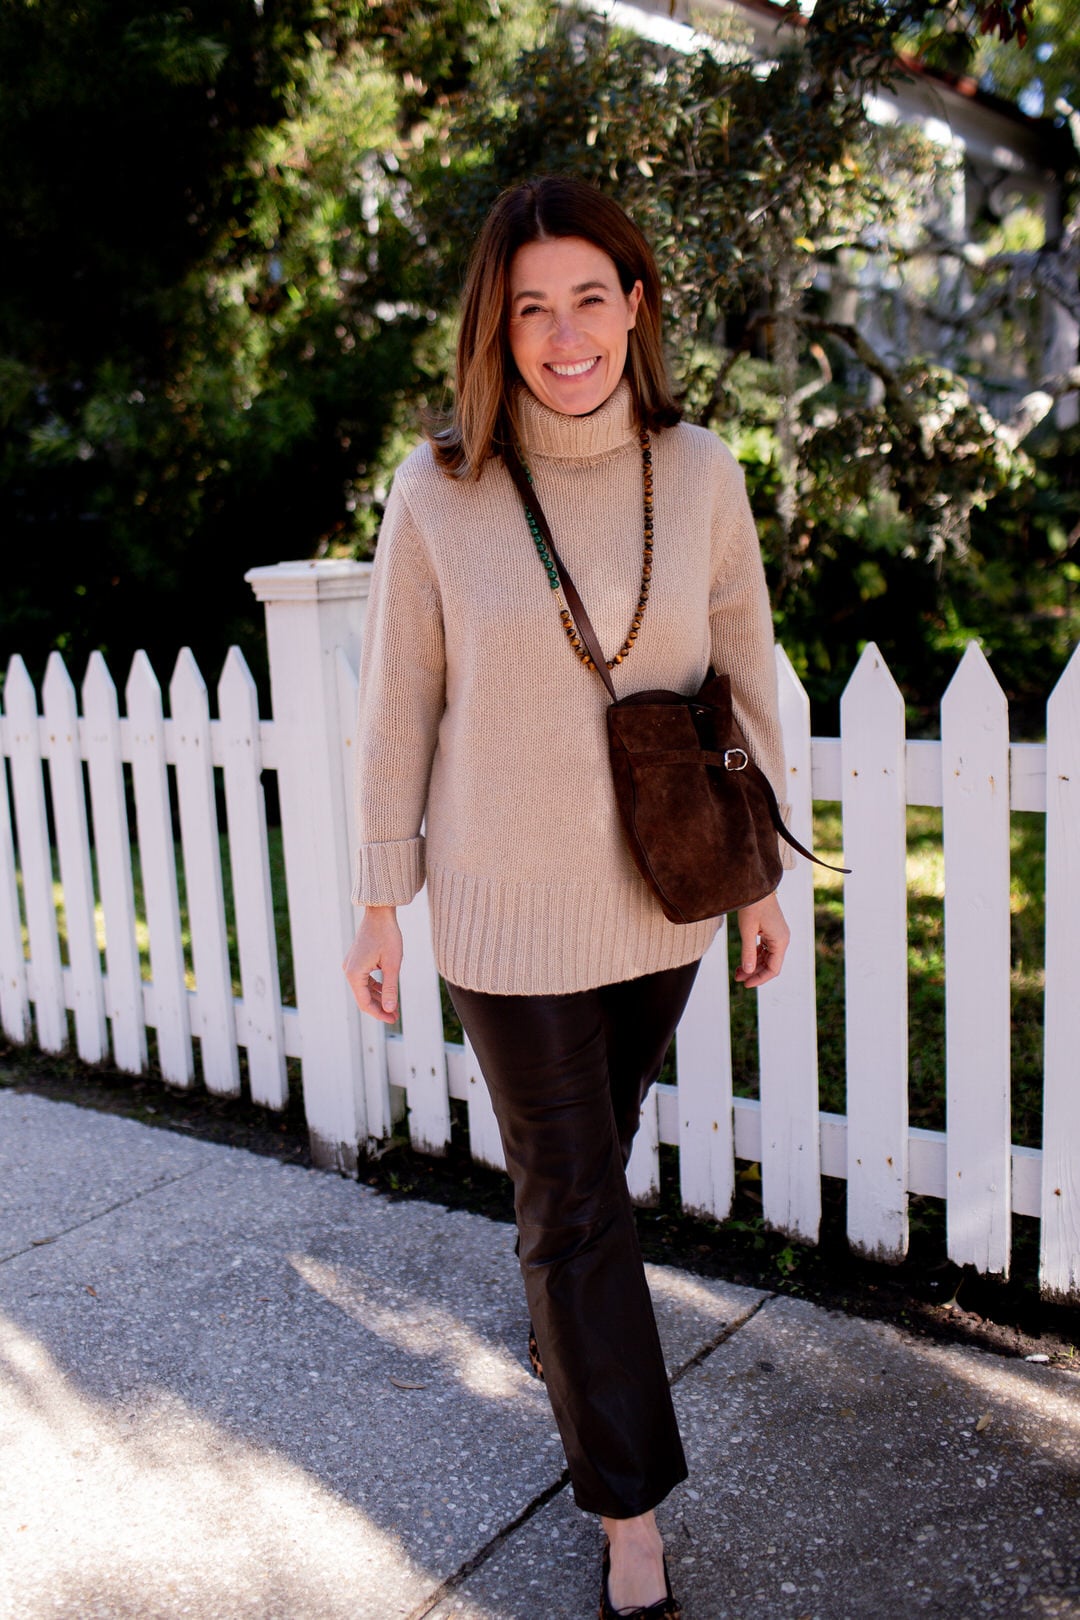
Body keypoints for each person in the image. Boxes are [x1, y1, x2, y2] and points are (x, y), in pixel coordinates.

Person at [343, 174, 790, 1620]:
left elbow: (747, 675)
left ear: (636, 305)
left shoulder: (700, 471)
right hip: (501, 910)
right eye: (530, 307)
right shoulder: (440, 487)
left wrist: (762, 881)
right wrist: (379, 898)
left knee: (590, 1164)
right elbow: (397, 703)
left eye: (590, 297)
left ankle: (565, 1336)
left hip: (663, 896)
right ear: (497, 325)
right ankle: (630, 1515)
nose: (565, 333)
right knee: (576, 1204)